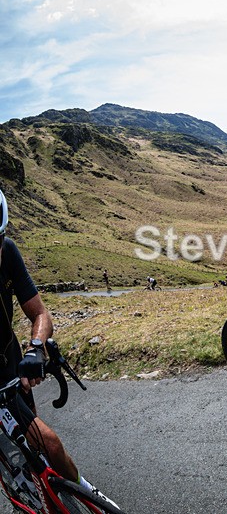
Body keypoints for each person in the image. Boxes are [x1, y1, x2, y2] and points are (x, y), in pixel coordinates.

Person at [0, 188, 118, 506]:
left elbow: (39, 312)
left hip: (8, 366)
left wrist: (36, 348)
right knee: (17, 463)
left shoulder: (8, 252)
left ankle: (82, 493)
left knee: (45, 447)